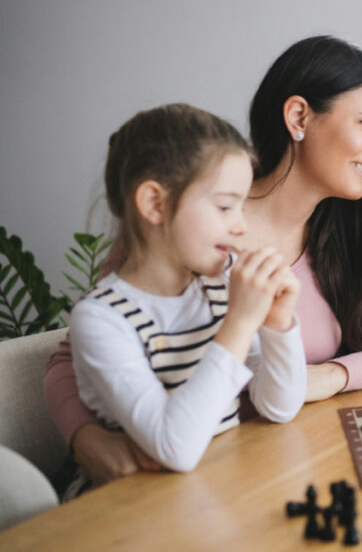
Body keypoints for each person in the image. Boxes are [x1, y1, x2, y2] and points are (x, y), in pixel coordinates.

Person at [45, 37, 362, 486]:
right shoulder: (183, 233)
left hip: (276, 467)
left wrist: (333, 375)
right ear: (299, 117)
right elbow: (72, 356)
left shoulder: (356, 235)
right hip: (174, 479)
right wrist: (85, 440)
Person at [64, 103, 306, 498]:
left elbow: (280, 408)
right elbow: (175, 447)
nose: (241, 225)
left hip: (213, 491)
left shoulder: (218, 288)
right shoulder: (102, 319)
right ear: (155, 204)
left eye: (241, 207)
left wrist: (278, 324)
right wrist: (240, 325)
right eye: (225, 206)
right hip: (128, 509)